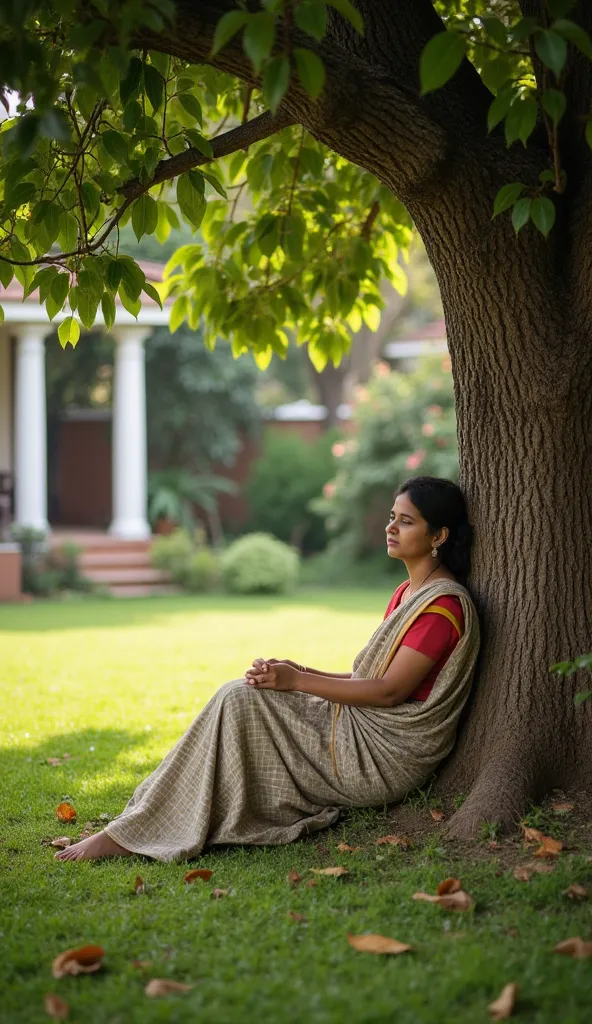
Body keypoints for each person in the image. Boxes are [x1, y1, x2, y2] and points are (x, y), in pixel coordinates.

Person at [55, 475, 481, 863]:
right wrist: (298, 672)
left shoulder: (439, 608)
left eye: (406, 521)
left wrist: (298, 682)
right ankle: (138, 819)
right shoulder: (409, 592)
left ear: (438, 535)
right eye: (392, 517)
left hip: (380, 759)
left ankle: (135, 831)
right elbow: (368, 679)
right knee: (238, 695)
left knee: (237, 699)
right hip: (360, 731)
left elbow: (389, 692)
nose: (391, 527)